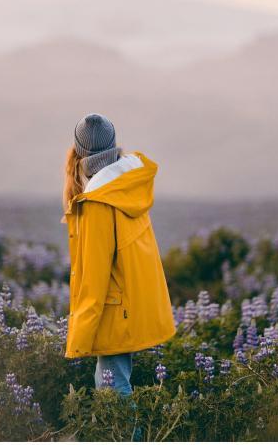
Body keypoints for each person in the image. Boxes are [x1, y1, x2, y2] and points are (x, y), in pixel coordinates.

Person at [62, 113, 176, 397]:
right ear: (113, 146)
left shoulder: (98, 202)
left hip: (115, 308)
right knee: (116, 381)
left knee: (112, 388)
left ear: (79, 153)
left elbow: (94, 276)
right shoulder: (128, 185)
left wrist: (79, 337)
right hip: (136, 302)